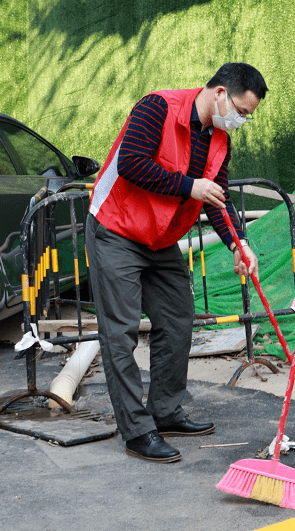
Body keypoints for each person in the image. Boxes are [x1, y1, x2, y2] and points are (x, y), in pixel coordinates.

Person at [86, 63, 268, 463]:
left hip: (160, 236)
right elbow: (131, 164)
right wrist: (190, 186)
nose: (241, 120)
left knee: (178, 318)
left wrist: (239, 244)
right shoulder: (157, 108)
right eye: (241, 110)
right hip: (116, 228)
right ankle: (137, 431)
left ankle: (165, 412)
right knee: (120, 333)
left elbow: (215, 198)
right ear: (219, 93)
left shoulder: (219, 140)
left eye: (247, 116)